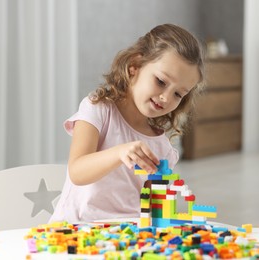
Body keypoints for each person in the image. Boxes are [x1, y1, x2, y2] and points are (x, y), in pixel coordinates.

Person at [50, 24, 205, 223]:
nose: (166, 97)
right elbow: (77, 171)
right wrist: (120, 152)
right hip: (75, 229)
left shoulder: (162, 148)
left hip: (127, 237)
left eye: (177, 94)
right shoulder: (98, 110)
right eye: (161, 81)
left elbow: (154, 211)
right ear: (135, 66)